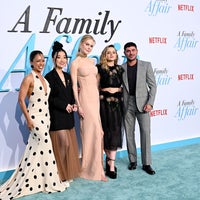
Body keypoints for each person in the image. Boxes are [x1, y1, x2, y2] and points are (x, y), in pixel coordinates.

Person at [0, 50, 66, 199]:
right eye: (38, 61)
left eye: (43, 60)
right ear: (31, 63)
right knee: (46, 147)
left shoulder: (43, 78)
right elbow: (21, 100)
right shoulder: (29, 78)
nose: (41, 63)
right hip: (35, 118)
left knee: (37, 150)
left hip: (46, 117)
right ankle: (48, 181)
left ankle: (38, 180)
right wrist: (29, 119)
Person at [70, 34, 107, 182]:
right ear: (81, 44)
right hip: (84, 100)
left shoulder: (92, 61)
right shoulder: (75, 63)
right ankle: (91, 170)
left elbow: (95, 82)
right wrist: (78, 105)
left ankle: (97, 169)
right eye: (87, 44)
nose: (89, 48)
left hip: (95, 100)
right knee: (92, 134)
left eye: (91, 46)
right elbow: (74, 86)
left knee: (98, 133)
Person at [45, 41, 81, 184]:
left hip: (68, 115)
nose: (62, 60)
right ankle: (59, 174)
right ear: (53, 59)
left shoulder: (67, 76)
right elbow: (49, 98)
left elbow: (71, 93)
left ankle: (65, 172)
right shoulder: (49, 77)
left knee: (69, 146)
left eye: (64, 57)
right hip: (57, 115)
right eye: (59, 57)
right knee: (63, 145)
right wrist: (64, 105)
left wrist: (74, 104)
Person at [122, 42, 157, 175]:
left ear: (137, 51)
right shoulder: (121, 68)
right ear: (125, 53)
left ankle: (147, 163)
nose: (131, 53)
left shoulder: (146, 65)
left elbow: (153, 86)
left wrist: (150, 103)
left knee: (145, 133)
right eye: (128, 51)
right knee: (129, 133)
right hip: (127, 104)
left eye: (133, 50)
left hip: (143, 104)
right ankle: (133, 161)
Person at [96, 45, 124, 179]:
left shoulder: (120, 69)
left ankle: (111, 165)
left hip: (117, 104)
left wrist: (118, 91)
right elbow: (95, 87)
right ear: (104, 55)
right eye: (109, 52)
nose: (111, 55)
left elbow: (126, 87)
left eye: (114, 52)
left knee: (115, 132)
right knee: (105, 132)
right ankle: (108, 161)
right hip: (103, 104)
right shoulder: (100, 68)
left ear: (116, 55)